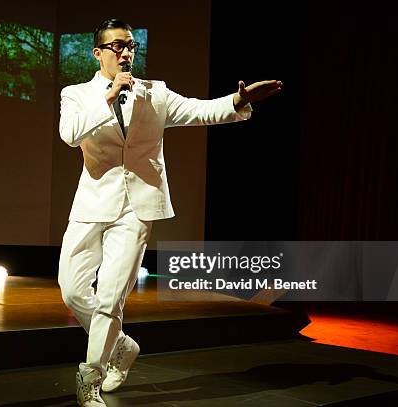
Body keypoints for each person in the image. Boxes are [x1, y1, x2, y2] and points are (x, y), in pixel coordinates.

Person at [57, 18, 282, 407]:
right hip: (92, 204)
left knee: (111, 298)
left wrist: (239, 100)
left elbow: (202, 111)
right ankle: (121, 345)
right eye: (117, 46)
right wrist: (108, 96)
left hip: (137, 210)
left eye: (131, 46)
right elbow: (69, 134)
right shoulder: (76, 94)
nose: (126, 52)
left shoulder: (154, 93)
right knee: (73, 291)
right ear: (98, 53)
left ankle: (90, 374)